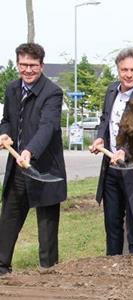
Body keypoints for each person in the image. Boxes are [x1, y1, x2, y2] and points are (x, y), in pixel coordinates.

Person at [0, 43, 67, 275]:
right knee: (9, 218)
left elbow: (47, 127)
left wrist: (30, 150)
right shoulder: (11, 89)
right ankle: (1, 267)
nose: (27, 70)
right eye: (23, 65)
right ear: (18, 64)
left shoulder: (53, 92)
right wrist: (4, 133)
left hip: (44, 169)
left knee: (47, 226)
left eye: (33, 65)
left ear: (42, 66)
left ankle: (47, 272)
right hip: (18, 169)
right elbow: (7, 119)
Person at [90, 47, 133, 256]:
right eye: (124, 69)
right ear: (118, 70)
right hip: (112, 170)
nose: (128, 74)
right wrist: (100, 137)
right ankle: (112, 267)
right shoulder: (111, 91)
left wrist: (125, 152)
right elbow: (105, 119)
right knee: (112, 225)